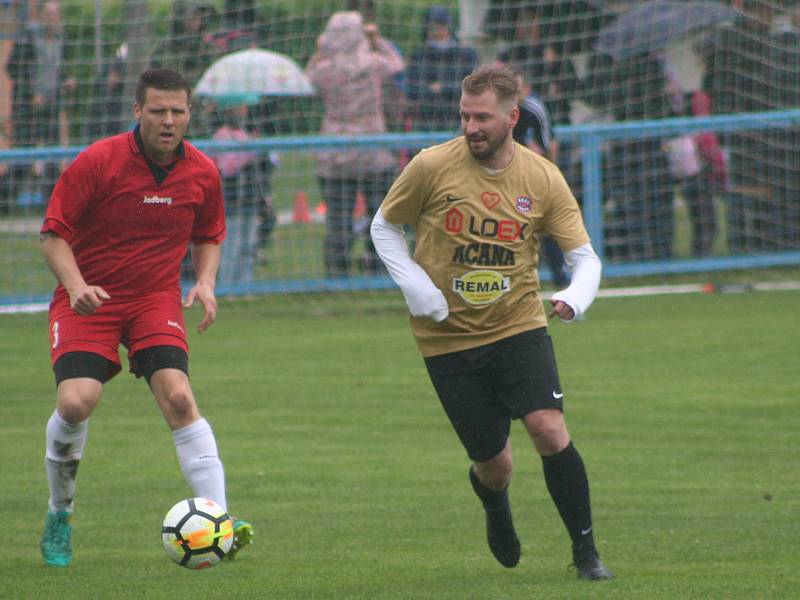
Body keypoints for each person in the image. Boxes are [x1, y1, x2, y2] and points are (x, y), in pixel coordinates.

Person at [370, 64, 613, 581]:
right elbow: (384, 226)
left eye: (483, 117)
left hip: (518, 324)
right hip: (447, 338)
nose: (471, 126)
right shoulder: (431, 166)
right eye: (465, 115)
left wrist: (575, 296)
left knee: (549, 429)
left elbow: (585, 257)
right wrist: (417, 287)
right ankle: (496, 507)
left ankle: (586, 553)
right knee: (496, 466)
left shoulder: (542, 177)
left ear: (512, 117)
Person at [37, 68, 253, 567]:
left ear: (189, 114)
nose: (169, 120)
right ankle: (59, 512)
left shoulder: (201, 171)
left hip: (154, 298)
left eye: (178, 111)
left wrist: (204, 281)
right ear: (138, 112)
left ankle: (220, 520)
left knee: (179, 396)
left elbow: (209, 233)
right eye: (158, 111)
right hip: (89, 297)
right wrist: (75, 287)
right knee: (75, 403)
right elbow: (52, 234)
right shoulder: (99, 161)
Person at [306, 10, 404, 277]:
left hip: (336, 152)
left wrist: (321, 50)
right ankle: (377, 268)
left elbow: (308, 79)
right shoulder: (373, 62)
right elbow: (396, 64)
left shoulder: (325, 69)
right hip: (373, 149)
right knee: (379, 217)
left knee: (338, 219)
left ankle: (337, 272)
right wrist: (378, 40)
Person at [511, 70, 568, 287]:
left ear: (525, 90)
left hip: (534, 178)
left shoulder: (534, 109)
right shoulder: (499, 111)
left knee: (547, 226)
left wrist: (549, 179)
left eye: (516, 91)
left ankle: (562, 280)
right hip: (507, 178)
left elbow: (548, 145)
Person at [406, 6, 478, 132]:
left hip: (459, 118)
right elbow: (413, 90)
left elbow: (472, 87)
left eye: (441, 26)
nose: (437, 31)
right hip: (426, 121)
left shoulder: (466, 54)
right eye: (432, 27)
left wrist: (443, 87)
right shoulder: (418, 55)